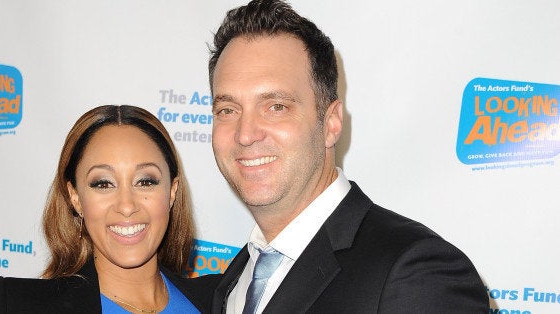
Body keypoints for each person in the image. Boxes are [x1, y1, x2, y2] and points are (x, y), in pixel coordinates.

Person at [207, 0, 489, 313]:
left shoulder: (417, 272)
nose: (246, 134)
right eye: (227, 110)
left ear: (331, 123)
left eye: (276, 107)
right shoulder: (234, 280)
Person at [0, 105, 216, 313]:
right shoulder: (25, 306)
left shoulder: (220, 300)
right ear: (75, 198)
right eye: (103, 184)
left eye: (145, 181)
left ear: (172, 191)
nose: (126, 206)